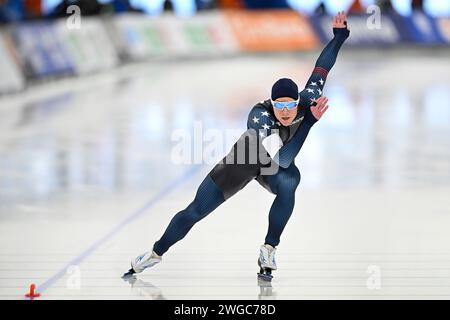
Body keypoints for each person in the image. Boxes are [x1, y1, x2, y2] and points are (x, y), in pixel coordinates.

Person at [125, 12, 350, 280]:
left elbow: (321, 70)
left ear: (297, 102)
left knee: (290, 181)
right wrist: (309, 123)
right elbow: (283, 156)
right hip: (244, 160)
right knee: (195, 211)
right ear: (272, 104)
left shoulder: (308, 100)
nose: (286, 112)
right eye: (280, 106)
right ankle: (155, 253)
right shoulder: (259, 116)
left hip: (273, 165)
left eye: (291, 105)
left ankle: (268, 249)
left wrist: (338, 38)